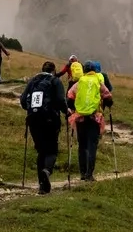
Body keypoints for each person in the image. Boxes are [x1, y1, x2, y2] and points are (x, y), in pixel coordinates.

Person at [21, 62, 70, 194]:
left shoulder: (33, 81)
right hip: (50, 120)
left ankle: (42, 186)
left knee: (41, 151)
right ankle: (47, 170)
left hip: (33, 119)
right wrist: (66, 111)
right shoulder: (55, 81)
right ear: (53, 71)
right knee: (52, 150)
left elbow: (23, 100)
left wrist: (31, 109)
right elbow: (60, 100)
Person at [67, 62, 113, 181]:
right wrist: (107, 104)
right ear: (94, 71)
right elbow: (108, 97)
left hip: (80, 118)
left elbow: (70, 97)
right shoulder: (98, 82)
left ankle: (82, 173)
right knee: (92, 146)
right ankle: (89, 174)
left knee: (82, 146)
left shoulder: (79, 82)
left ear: (84, 71)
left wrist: (73, 108)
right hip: (94, 118)